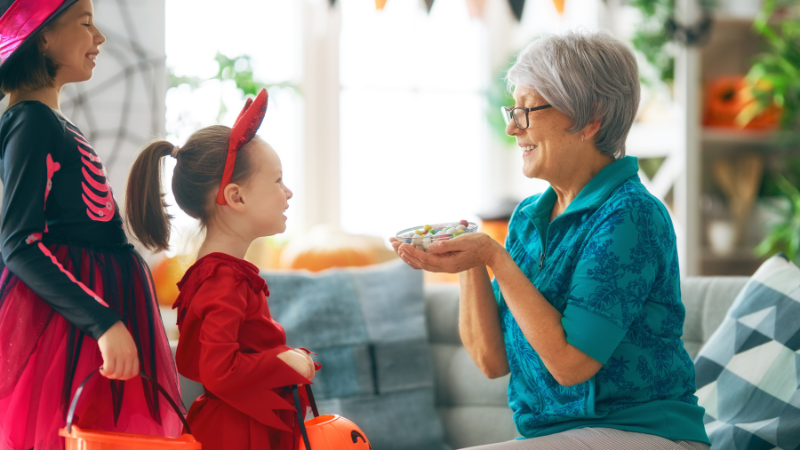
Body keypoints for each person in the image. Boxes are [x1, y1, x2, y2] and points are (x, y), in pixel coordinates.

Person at [391, 30, 710, 450]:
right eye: (513, 109)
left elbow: (571, 364)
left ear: (590, 118)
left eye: (526, 110)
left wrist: (495, 257)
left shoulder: (630, 215)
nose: (511, 127)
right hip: (560, 437)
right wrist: (468, 258)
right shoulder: (529, 217)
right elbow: (491, 362)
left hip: (645, 433)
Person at [0, 1, 184, 448]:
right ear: (43, 35)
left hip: (87, 319)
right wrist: (103, 323)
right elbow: (19, 242)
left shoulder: (51, 122)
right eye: (85, 24)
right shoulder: (31, 121)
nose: (99, 37)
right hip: (68, 326)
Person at [126, 88, 318, 450]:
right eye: (277, 180)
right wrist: (284, 360)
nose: (288, 192)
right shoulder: (222, 278)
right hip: (237, 436)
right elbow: (219, 370)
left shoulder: (221, 272)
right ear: (236, 197)